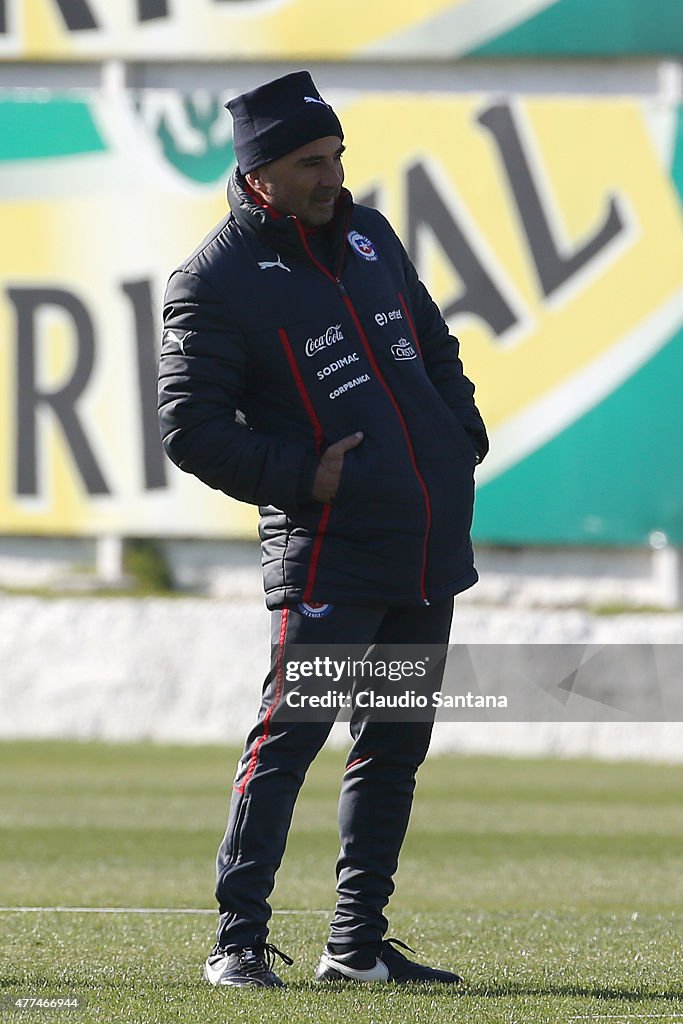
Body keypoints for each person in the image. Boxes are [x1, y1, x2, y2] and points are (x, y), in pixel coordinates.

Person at [158, 70, 488, 989]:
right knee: (289, 738)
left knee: (393, 748)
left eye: (336, 156)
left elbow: (431, 340)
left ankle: (355, 948)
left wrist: (459, 437)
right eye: (310, 162)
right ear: (257, 176)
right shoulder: (214, 279)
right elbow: (189, 428)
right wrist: (308, 476)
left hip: (421, 547)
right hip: (328, 555)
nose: (331, 177)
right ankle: (238, 943)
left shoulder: (369, 234)